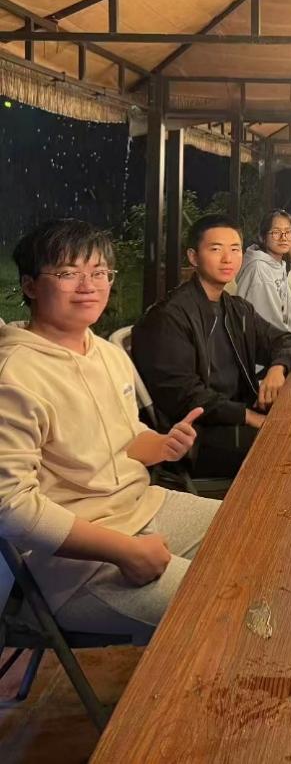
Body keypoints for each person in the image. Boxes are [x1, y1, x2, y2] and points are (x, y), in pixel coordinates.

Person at [0, 219, 219, 645]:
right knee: (223, 605)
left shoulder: (104, 351)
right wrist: (123, 550)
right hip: (68, 564)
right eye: (68, 273)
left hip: (141, 506)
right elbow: (12, 508)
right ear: (30, 285)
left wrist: (163, 445)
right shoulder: (14, 375)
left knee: (256, 535)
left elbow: (126, 438)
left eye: (99, 272)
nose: (89, 286)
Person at [132, 215, 291, 478]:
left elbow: (287, 340)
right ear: (193, 257)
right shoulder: (168, 317)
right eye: (215, 249)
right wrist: (248, 416)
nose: (227, 259)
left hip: (236, 413)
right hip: (197, 437)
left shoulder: (236, 309)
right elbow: (185, 395)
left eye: (235, 249)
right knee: (290, 447)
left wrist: (277, 368)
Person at [235, 210, 291, 344]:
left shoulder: (278, 265)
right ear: (263, 237)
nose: (283, 237)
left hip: (282, 343)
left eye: (288, 232)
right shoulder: (259, 269)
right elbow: (269, 326)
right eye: (276, 232)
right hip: (262, 350)